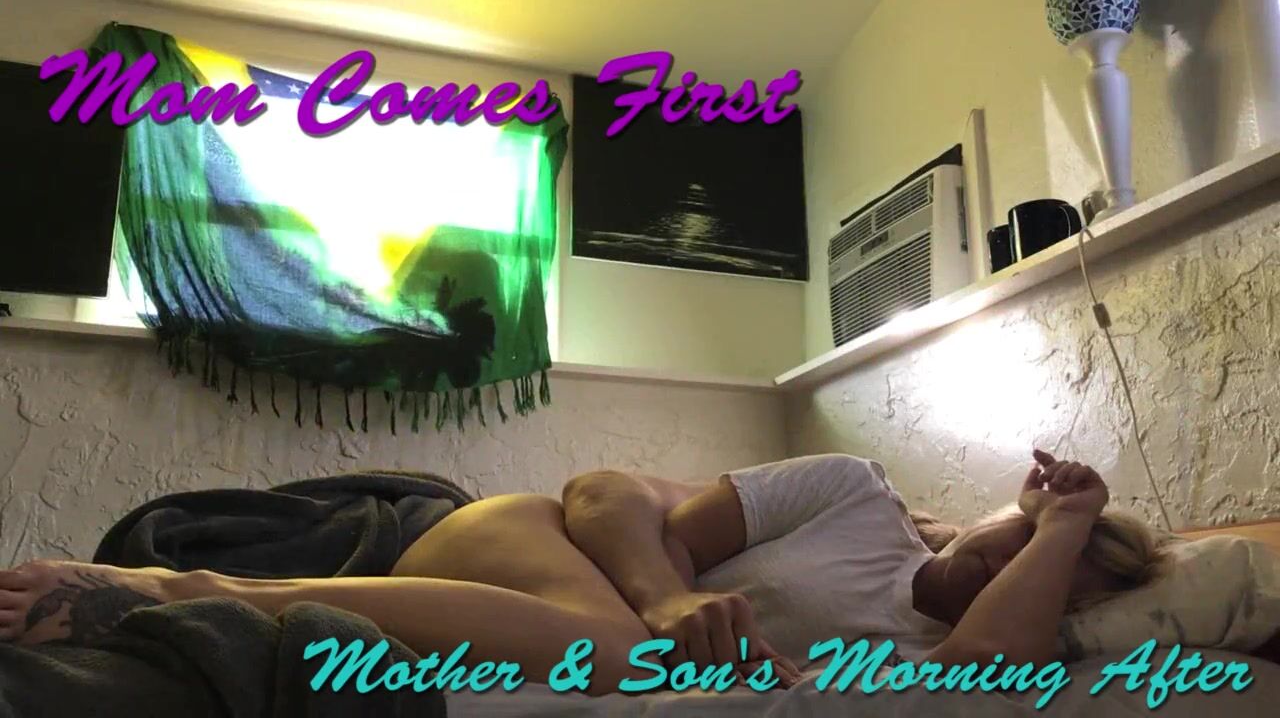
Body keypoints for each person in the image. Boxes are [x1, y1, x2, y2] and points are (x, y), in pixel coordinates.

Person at [0, 449, 1164, 694]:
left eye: (1048, 573)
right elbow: (602, 495)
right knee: (624, 648)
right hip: (499, 536)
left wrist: (1065, 528)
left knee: (618, 660)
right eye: (1017, 530)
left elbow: (989, 655)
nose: (1013, 560)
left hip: (534, 618)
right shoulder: (855, 494)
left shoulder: (923, 670)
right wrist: (666, 594)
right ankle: (182, 593)